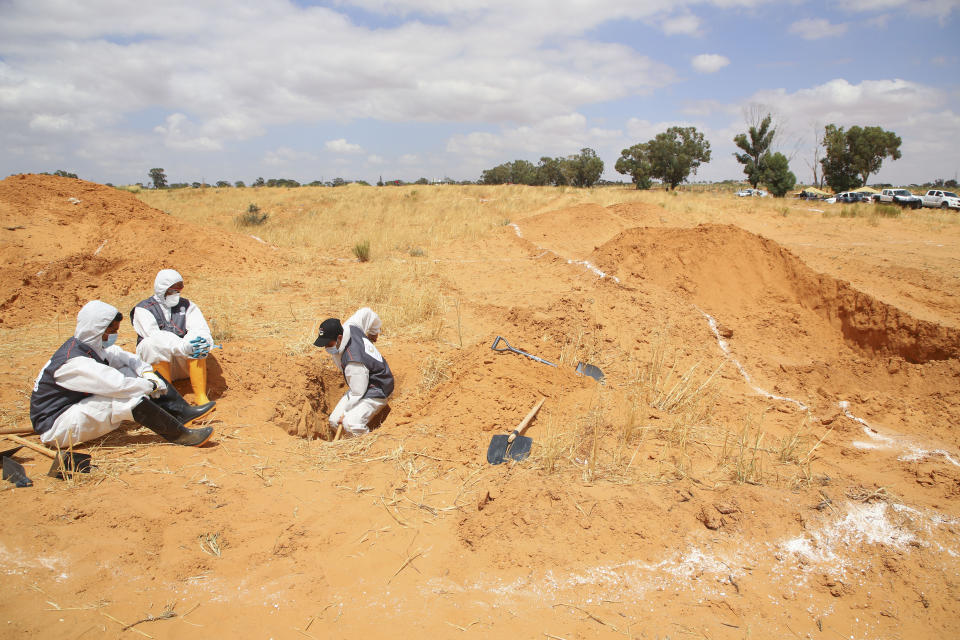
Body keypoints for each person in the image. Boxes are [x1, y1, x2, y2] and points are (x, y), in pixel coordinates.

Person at [30, 300, 214, 448]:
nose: (113, 336)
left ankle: (181, 412)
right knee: (123, 397)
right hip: (57, 427)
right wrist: (150, 385)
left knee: (130, 371)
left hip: (72, 408)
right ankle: (180, 435)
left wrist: (146, 372)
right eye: (111, 332)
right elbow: (118, 386)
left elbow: (124, 357)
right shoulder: (74, 363)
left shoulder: (88, 346)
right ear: (97, 331)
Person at [131, 269, 215, 405]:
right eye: (172, 290)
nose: (175, 293)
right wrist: (181, 346)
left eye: (178, 290)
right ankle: (168, 399)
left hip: (184, 363)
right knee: (150, 344)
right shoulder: (143, 309)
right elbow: (154, 336)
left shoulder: (187, 306)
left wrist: (193, 343)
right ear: (162, 289)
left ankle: (200, 396)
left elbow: (199, 327)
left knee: (200, 341)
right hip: (158, 364)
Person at [314, 311, 394, 437]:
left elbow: (358, 392)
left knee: (350, 424)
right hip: (362, 380)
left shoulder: (353, 362)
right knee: (334, 421)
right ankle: (347, 442)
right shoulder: (351, 326)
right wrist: (373, 332)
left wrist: (346, 412)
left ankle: (365, 447)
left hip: (377, 387)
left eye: (328, 343)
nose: (326, 347)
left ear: (339, 338)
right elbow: (367, 313)